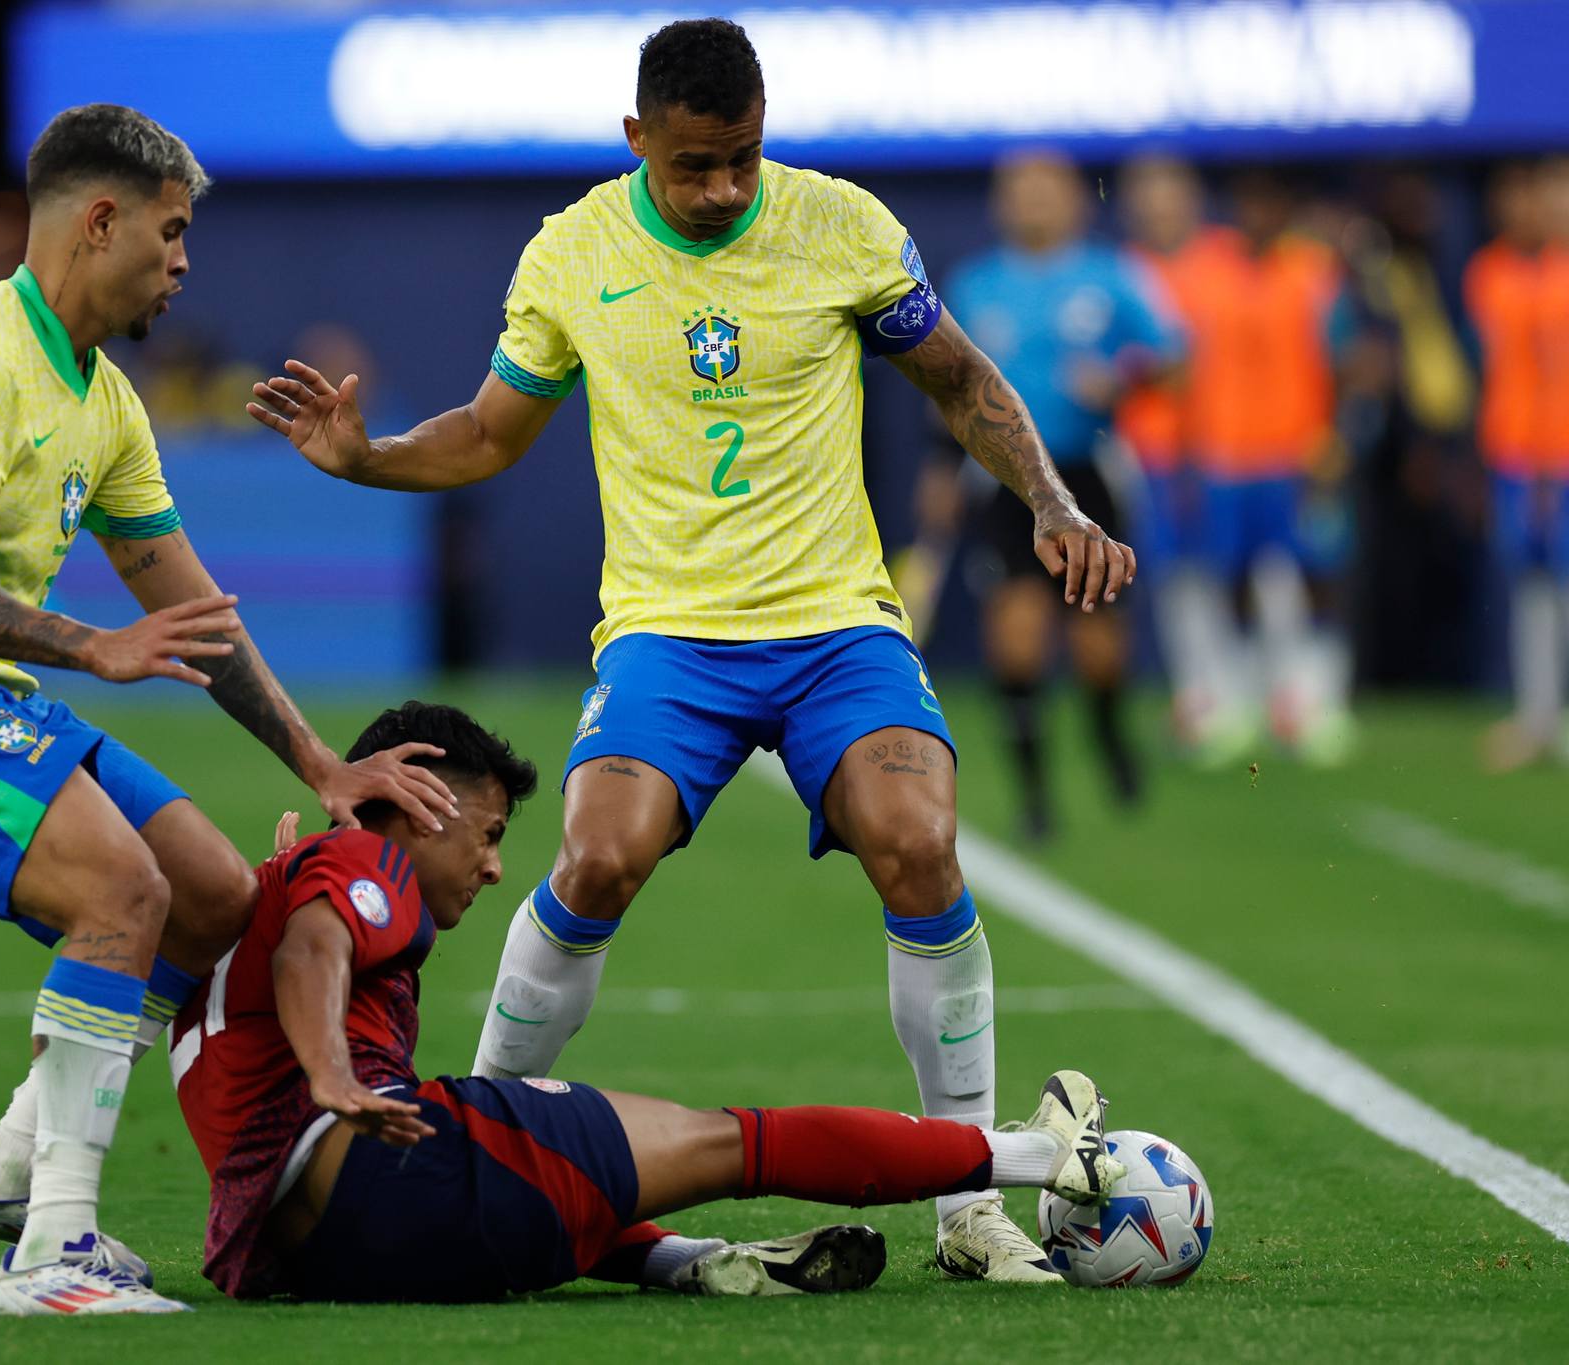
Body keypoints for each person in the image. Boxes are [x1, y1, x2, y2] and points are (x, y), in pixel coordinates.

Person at [248, 19, 1133, 1282]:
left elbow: (955, 378)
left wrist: (1048, 500)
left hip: (834, 622)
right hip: (669, 632)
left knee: (917, 839)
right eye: (692, 166)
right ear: (635, 140)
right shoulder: (573, 252)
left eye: (741, 160)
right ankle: (476, 1148)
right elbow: (491, 432)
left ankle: (965, 1208)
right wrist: (369, 458)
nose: (721, 189)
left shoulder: (840, 226)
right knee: (598, 856)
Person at [0, 103, 456, 1316]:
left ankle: (6, 1174)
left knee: (211, 896)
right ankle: (53, 1252)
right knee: (121, 891)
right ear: (100, 222)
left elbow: (190, 607)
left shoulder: (105, 400)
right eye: (171, 231)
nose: (184, 262)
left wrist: (317, 763)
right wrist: (92, 646)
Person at [172, 700, 1121, 1301]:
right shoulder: (358, 858)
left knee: (548, 1189)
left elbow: (281, 958)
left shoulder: (258, 896)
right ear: (415, 800)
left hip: (310, 1258)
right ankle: (1041, 1155)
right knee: (736, 1142)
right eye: (488, 833)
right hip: (394, 1175)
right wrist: (331, 1074)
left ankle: (685, 1261)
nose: (494, 866)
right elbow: (314, 950)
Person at [942, 150, 1180, 839]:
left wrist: (1122, 378)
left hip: (1089, 475)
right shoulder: (976, 284)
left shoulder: (1112, 275)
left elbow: (1174, 355)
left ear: (1077, 199)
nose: (1033, 203)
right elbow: (947, 382)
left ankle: (1108, 735)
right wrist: (940, 469)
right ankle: (1035, 797)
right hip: (1005, 482)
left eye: (1046, 190)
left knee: (1098, 648)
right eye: (1020, 191)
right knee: (1016, 641)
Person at [1181, 171, 1358, 765]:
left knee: (1315, 575)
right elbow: (1188, 364)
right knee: (1232, 579)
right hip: (1226, 457)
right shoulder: (1209, 273)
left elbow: (1345, 360)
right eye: (1248, 203)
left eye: (1268, 203)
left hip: (1299, 455)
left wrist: (1335, 438)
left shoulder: (1315, 273)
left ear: (1285, 210)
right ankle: (1238, 702)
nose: (1257, 214)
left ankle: (1320, 701)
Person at [1116, 154, 1244, 753]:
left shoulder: (1229, 259)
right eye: (1147, 199)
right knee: (1174, 578)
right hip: (1150, 450)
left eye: (1168, 197)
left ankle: (1258, 695)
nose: (1158, 210)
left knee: (1240, 573)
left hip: (1228, 446)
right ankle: (1201, 697)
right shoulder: (1124, 271)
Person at [1470, 161, 1569, 769]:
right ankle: (1538, 715)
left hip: (1563, 454)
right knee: (1531, 587)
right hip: (1516, 455)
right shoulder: (1490, 273)